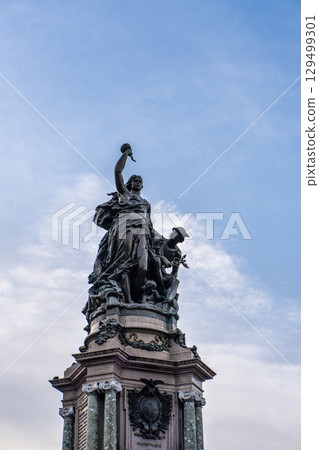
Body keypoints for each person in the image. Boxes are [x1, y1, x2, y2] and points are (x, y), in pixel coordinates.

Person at [88, 144, 153, 303]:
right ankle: (123, 298)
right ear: (130, 184)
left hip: (142, 232)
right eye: (135, 180)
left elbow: (150, 225)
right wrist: (126, 154)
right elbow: (117, 172)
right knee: (122, 264)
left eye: (140, 180)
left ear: (142, 185)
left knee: (143, 267)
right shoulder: (124, 195)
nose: (137, 182)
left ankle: (138, 300)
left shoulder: (146, 203)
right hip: (124, 227)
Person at [150, 227, 189, 302]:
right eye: (173, 232)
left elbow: (174, 272)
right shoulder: (161, 241)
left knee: (175, 281)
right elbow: (150, 251)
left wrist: (170, 277)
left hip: (161, 273)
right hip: (151, 266)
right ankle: (162, 289)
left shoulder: (177, 253)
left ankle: (167, 301)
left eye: (175, 233)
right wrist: (162, 258)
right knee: (157, 260)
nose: (172, 233)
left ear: (179, 239)